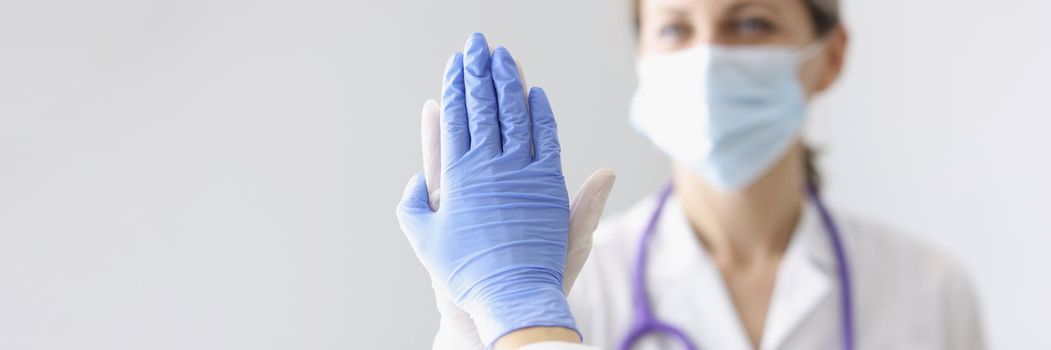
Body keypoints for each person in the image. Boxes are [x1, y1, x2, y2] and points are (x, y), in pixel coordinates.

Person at [397, 0, 985, 349]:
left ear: (829, 57)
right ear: (642, 59)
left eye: (750, 24)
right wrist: (492, 322)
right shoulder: (570, 284)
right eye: (675, 29)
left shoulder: (929, 290)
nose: (708, 59)